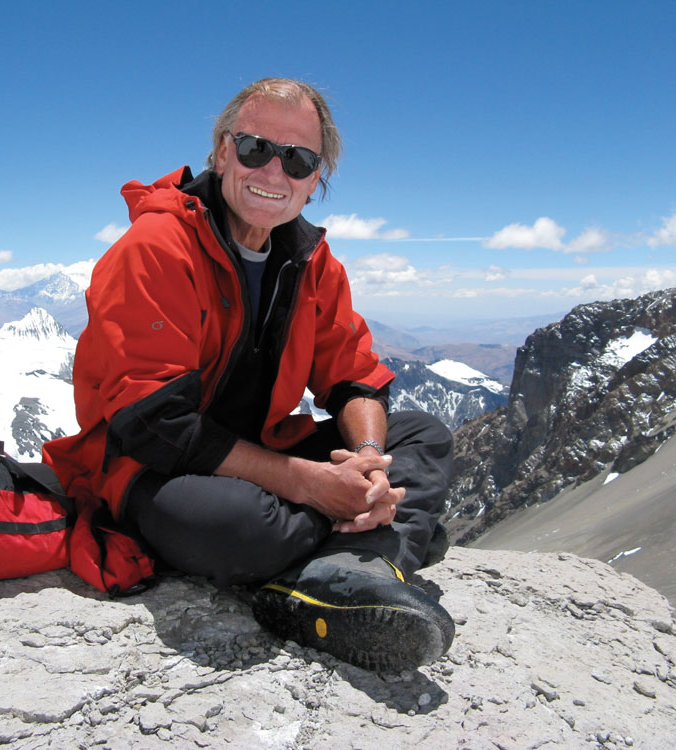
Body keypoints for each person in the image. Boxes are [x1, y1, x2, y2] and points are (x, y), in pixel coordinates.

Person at [44, 78, 455, 672]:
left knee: (421, 435)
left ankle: (343, 559)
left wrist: (366, 459)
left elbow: (355, 376)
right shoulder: (157, 246)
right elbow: (157, 425)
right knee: (233, 527)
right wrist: (313, 484)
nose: (274, 170)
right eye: (256, 147)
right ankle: (373, 547)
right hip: (151, 465)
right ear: (221, 151)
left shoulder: (311, 260)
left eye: (298, 159)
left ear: (317, 180)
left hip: (257, 452)